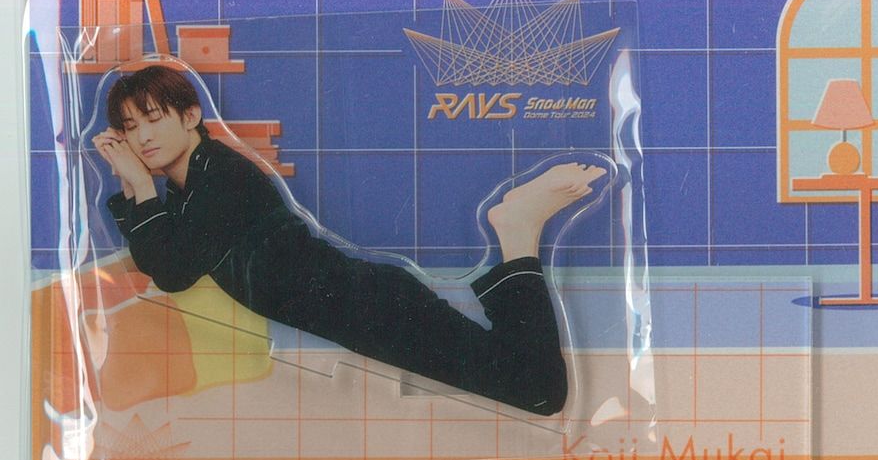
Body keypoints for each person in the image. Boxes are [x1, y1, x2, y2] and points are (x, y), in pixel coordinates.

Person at [92, 66, 607, 416]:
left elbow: (172, 272)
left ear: (190, 116)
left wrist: (138, 184)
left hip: (370, 310)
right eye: (130, 128)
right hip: (362, 311)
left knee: (539, 392)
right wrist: (135, 188)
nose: (142, 138)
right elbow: (162, 255)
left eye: (153, 119)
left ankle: (517, 231)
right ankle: (516, 230)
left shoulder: (221, 178)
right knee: (524, 379)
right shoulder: (191, 190)